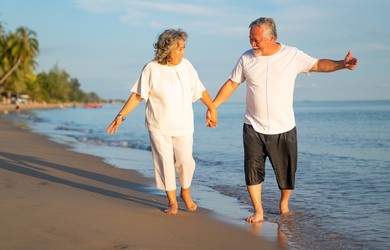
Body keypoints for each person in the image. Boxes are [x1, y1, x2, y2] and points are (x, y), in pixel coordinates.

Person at [210, 17, 358, 223]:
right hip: (253, 125)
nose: (252, 43)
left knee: (287, 172)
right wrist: (213, 106)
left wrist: (342, 64)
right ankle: (258, 211)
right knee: (252, 170)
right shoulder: (246, 58)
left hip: (284, 126)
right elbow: (231, 84)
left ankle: (284, 205)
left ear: (271, 38)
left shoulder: (292, 55)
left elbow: (318, 64)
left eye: (256, 39)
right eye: (250, 39)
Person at [106, 29, 217, 215]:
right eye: (179, 48)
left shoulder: (187, 66)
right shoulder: (152, 68)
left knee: (186, 161)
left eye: (184, 48)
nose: (183, 52)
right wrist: (120, 116)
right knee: (164, 162)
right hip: (158, 125)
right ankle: (172, 201)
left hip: (183, 124)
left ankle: (185, 193)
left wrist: (212, 108)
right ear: (168, 49)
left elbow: (200, 89)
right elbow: (138, 95)